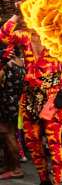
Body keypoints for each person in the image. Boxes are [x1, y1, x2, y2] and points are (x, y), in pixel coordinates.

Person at [0, 14, 62, 185]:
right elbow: (3, 35)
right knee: (32, 142)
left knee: (54, 143)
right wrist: (16, 15)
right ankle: (44, 180)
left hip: (52, 98)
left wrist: (61, 92)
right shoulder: (24, 36)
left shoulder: (57, 39)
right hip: (30, 97)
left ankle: (57, 182)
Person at [0, 45, 25, 180]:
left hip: (7, 103)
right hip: (16, 103)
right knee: (8, 134)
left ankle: (16, 168)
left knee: (9, 135)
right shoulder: (22, 63)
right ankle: (10, 166)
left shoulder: (9, 65)